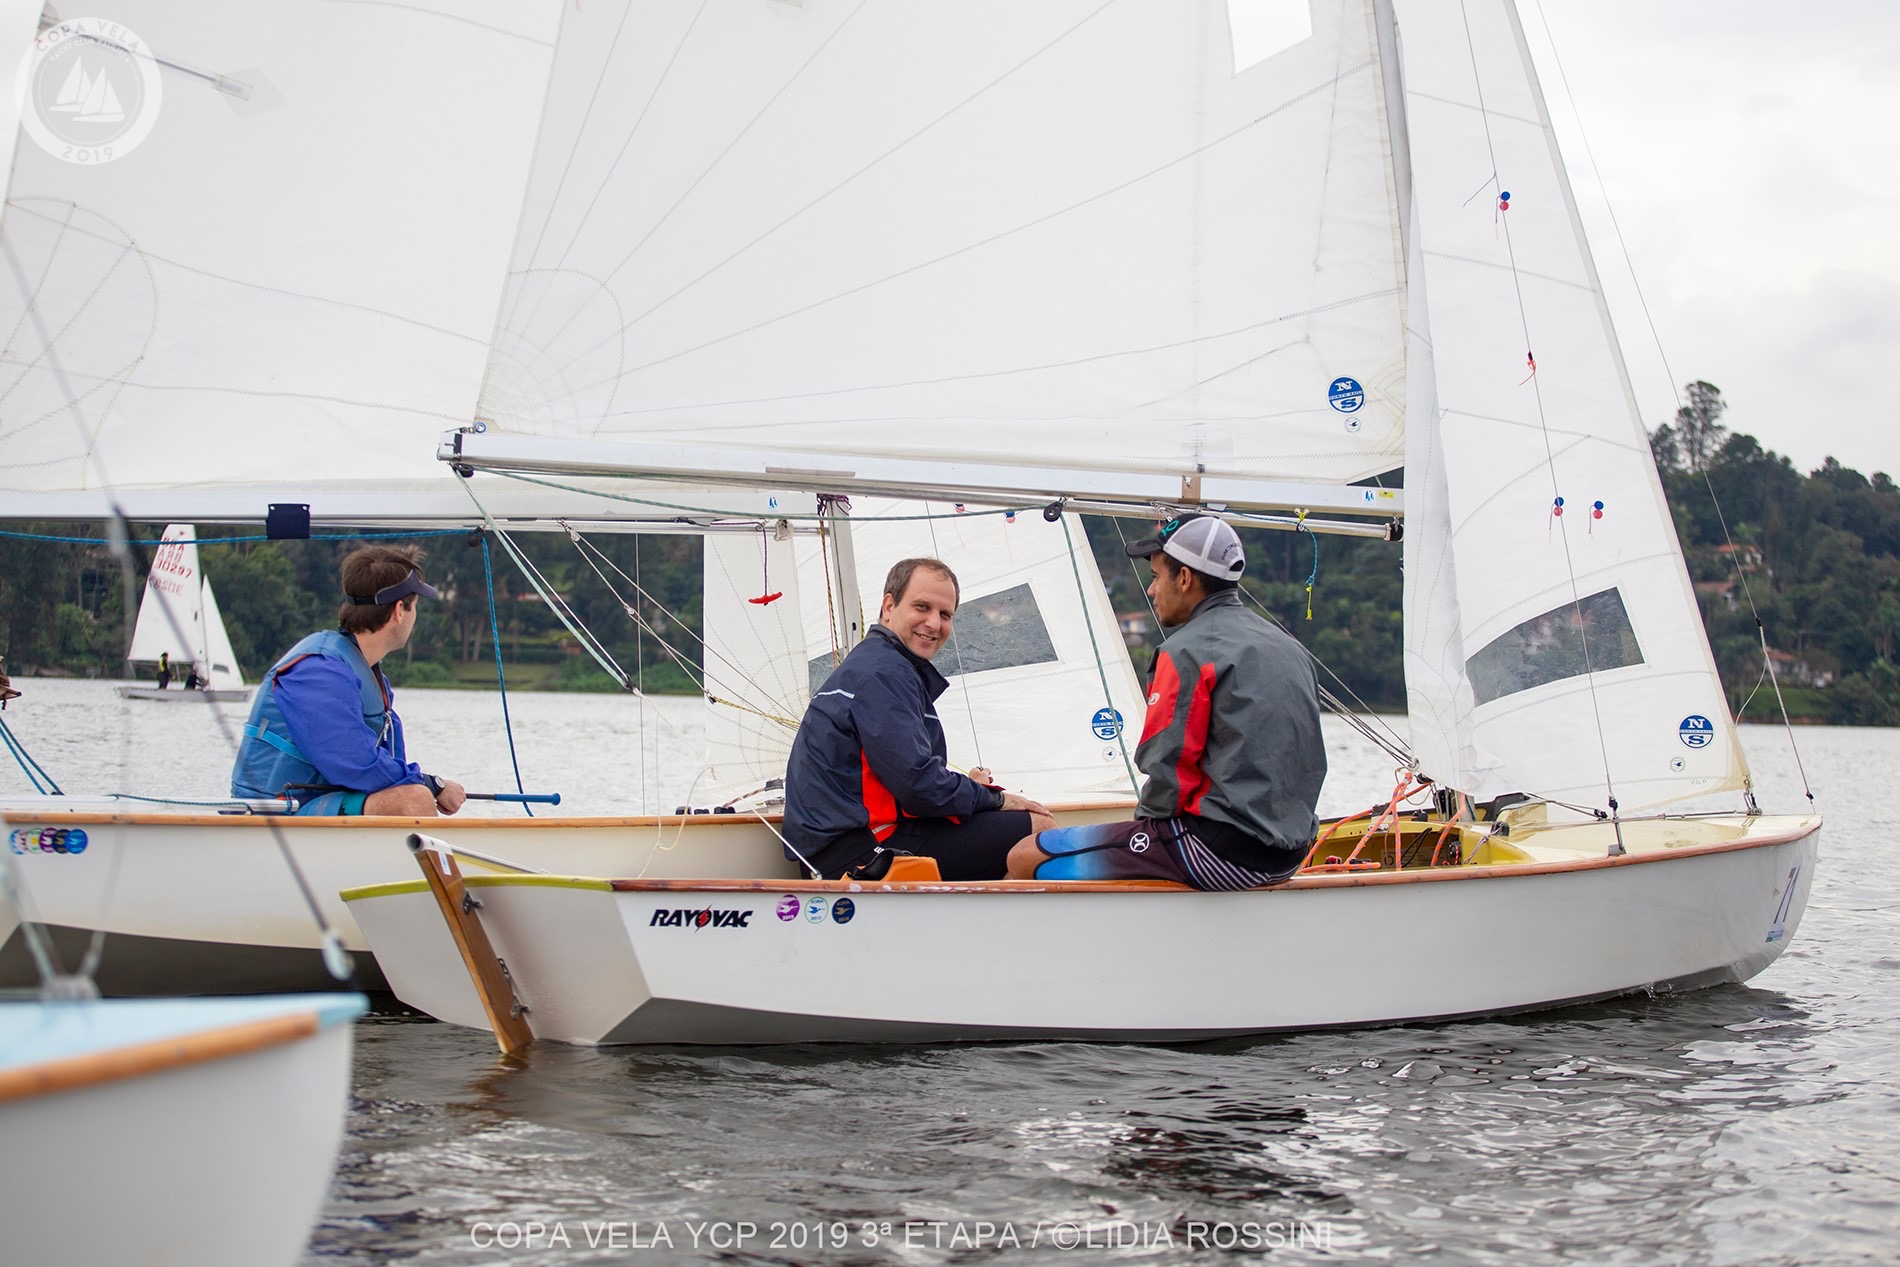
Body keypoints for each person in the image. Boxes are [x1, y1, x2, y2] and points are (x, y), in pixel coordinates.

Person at [1007, 515, 1325, 889]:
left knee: (1024, 855)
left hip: (1219, 853)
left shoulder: (1185, 652)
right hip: (1289, 854)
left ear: (1185, 578)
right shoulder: (1291, 649)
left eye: (1156, 577)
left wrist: (1140, 834)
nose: (1151, 590)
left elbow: (1167, 773)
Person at [781, 557, 1054, 880]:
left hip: (839, 850)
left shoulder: (872, 664)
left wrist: (970, 790)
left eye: (945, 615)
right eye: (922, 607)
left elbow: (900, 780)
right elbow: (918, 786)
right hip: (863, 852)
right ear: (889, 607)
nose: (934, 623)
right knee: (1040, 831)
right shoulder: (884, 673)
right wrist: (996, 799)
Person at [231, 545, 466, 816]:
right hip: (272, 814)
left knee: (411, 794)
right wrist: (432, 785)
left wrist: (422, 783)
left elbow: (380, 767)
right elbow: (356, 763)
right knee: (411, 801)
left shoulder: (365, 671)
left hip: (316, 804)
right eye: (415, 606)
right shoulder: (317, 672)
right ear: (400, 611)